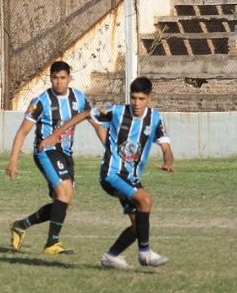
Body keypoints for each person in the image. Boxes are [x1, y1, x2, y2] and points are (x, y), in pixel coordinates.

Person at [41, 76, 174, 269]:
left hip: (131, 178)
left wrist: (168, 161)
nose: (136, 103)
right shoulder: (117, 112)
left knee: (139, 226)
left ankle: (111, 257)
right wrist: (55, 135)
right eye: (134, 98)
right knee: (145, 200)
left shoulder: (155, 119)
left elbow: (166, 148)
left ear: (149, 98)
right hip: (111, 174)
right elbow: (86, 114)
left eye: (141, 99)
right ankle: (145, 253)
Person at [5, 61, 105, 255]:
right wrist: (13, 160)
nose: (58, 82)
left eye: (62, 78)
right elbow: (22, 132)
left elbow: (97, 124)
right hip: (46, 151)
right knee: (64, 193)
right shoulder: (40, 101)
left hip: (66, 154)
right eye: (54, 78)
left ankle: (21, 225)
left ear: (69, 78)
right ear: (50, 78)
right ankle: (52, 244)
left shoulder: (79, 98)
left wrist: (109, 148)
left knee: (62, 200)